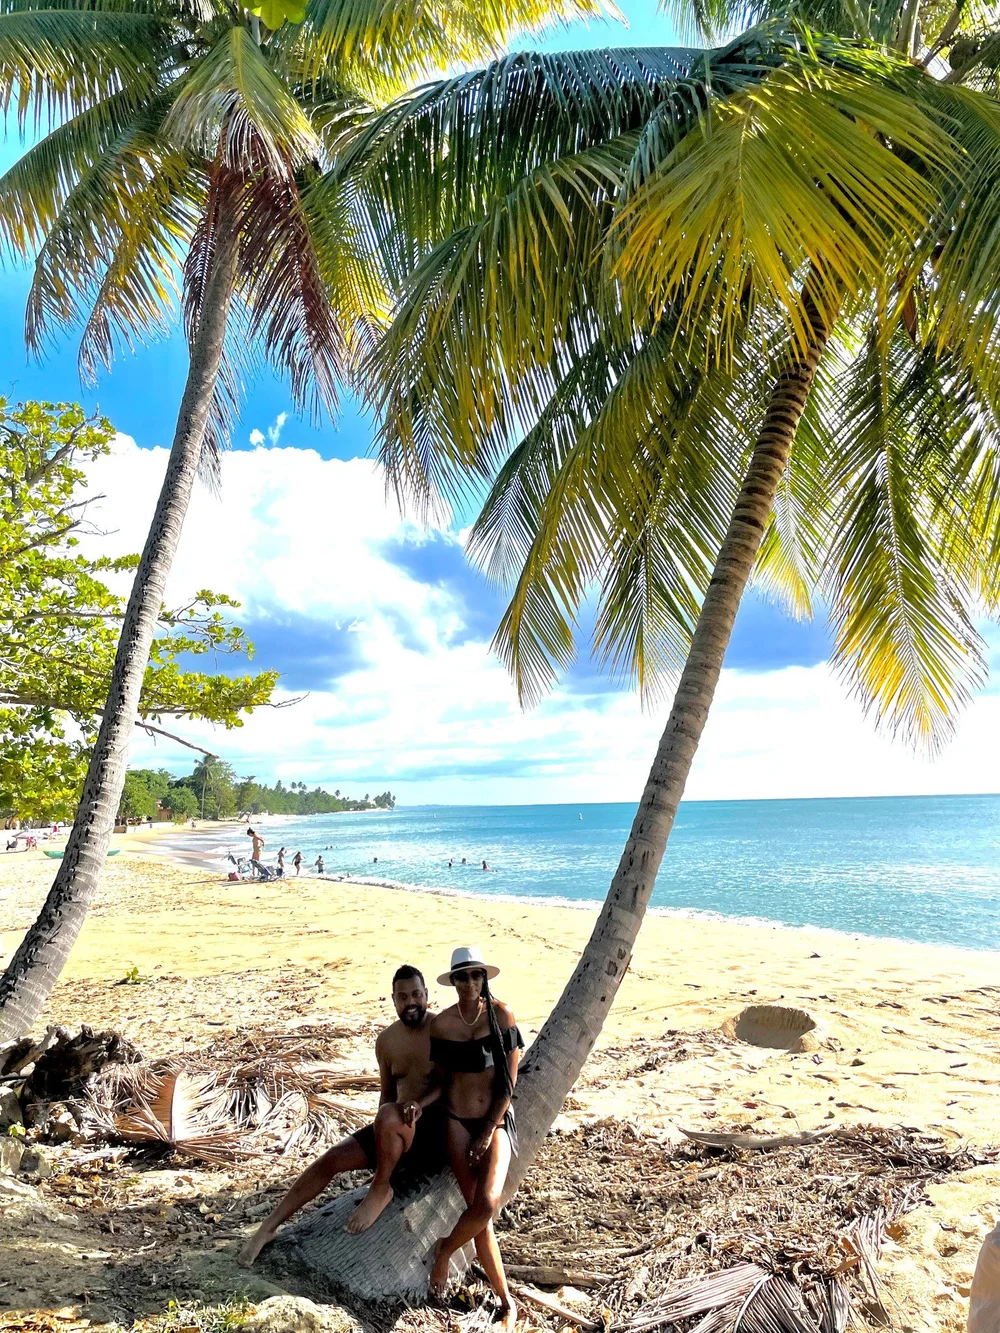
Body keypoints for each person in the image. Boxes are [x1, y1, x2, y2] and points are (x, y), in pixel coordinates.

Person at [238, 965, 442, 1265]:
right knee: (332, 1158)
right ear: (393, 1000)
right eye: (403, 997)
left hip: (431, 1131)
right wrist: (380, 1142)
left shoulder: (441, 1030)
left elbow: (450, 1084)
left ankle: (381, 1187)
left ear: (426, 994)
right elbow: (387, 1095)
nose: (411, 1002)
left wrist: (420, 1104)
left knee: (389, 1115)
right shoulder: (386, 1042)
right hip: (395, 1126)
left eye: (416, 994)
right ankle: (267, 1227)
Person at [428, 947, 523, 1331]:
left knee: (486, 1205)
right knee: (479, 1218)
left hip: (493, 1123)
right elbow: (440, 1082)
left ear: (484, 978)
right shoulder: (442, 1025)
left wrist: (485, 1133)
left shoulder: (502, 1016)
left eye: (476, 975)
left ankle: (444, 1250)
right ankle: (507, 1301)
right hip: (455, 1122)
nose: (470, 982)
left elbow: (509, 1084)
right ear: (453, 981)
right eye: (462, 976)